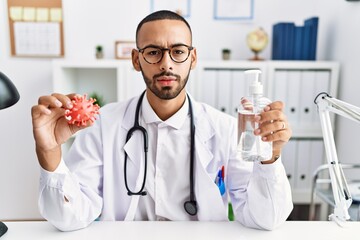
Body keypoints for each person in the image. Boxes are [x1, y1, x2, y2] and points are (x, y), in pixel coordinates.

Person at [31, 10, 293, 232]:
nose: (166, 64)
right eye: (153, 52)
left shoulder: (224, 129)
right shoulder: (104, 125)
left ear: (193, 59)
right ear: (137, 60)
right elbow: (70, 217)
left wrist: (270, 158)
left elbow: (264, 219)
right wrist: (49, 151)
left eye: (178, 51)